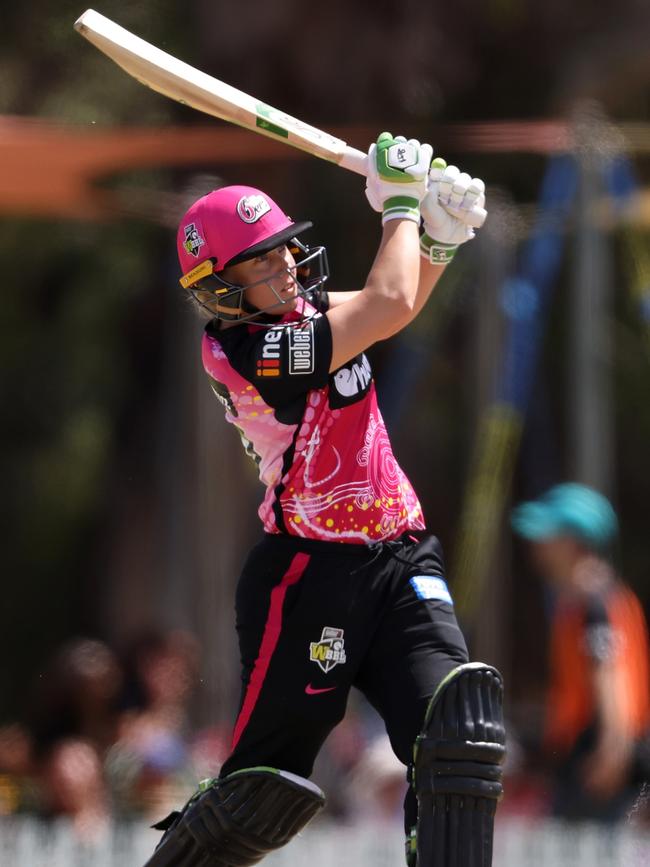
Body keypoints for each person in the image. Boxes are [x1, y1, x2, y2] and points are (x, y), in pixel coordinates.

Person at [144, 133, 506, 867]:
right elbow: (388, 302)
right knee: (256, 796)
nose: (285, 263)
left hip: (400, 553)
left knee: (458, 731)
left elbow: (394, 302)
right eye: (262, 258)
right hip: (309, 577)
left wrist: (438, 235)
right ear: (220, 286)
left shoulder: (303, 317)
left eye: (284, 247)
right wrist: (402, 204)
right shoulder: (254, 353)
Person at [511, 482, 650, 822]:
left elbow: (609, 670)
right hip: (590, 757)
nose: (538, 545)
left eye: (548, 535)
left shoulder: (595, 600)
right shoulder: (577, 602)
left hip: (601, 760)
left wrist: (612, 751)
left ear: (574, 541)